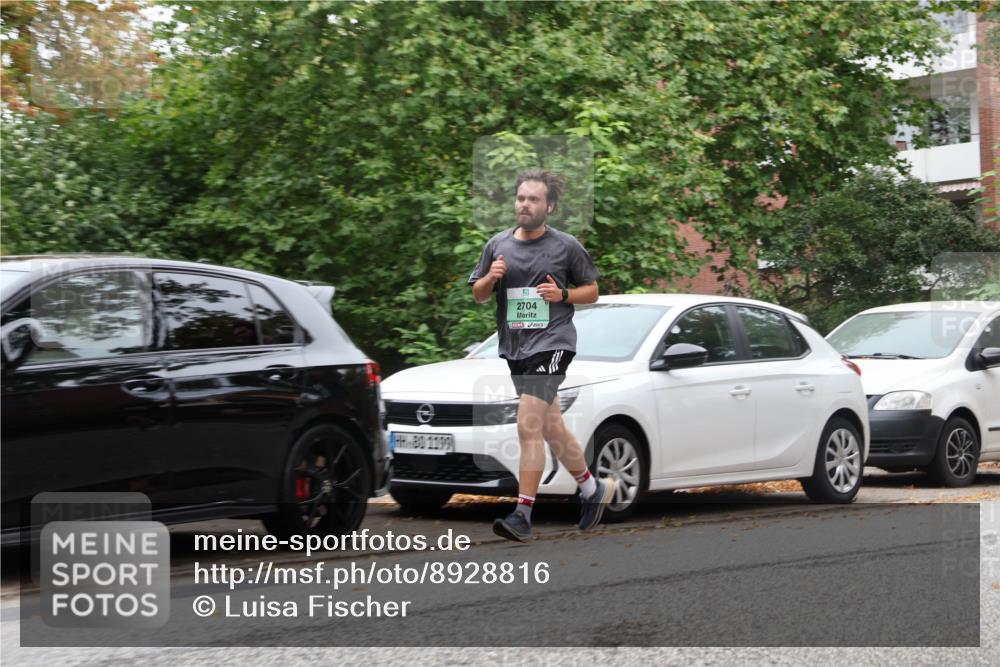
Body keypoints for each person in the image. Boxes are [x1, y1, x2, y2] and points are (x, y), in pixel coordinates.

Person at [468, 169, 614, 543]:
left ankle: (522, 514)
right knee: (550, 426)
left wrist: (562, 296)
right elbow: (479, 294)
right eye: (521, 198)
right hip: (516, 348)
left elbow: (593, 291)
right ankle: (590, 489)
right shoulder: (497, 246)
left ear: (548, 206)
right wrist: (492, 277)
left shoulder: (565, 246)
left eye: (533, 199)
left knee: (527, 426)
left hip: (553, 344)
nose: (525, 205)